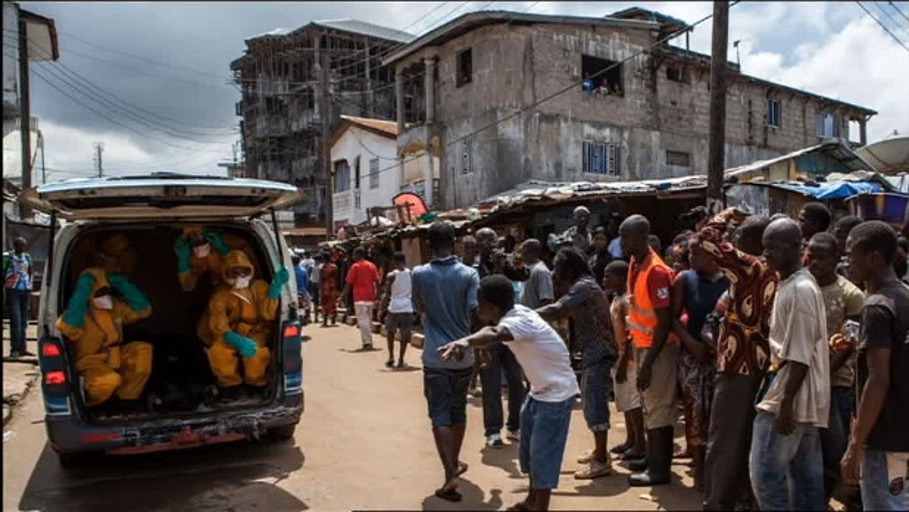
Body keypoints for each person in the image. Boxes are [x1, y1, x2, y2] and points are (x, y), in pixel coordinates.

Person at [439, 275, 579, 512]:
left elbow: (494, 335)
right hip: (539, 392)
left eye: (480, 301)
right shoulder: (516, 313)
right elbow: (492, 332)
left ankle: (540, 507)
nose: (476, 305)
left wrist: (465, 342)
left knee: (542, 457)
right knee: (530, 453)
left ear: (492, 307)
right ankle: (531, 501)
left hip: (556, 396)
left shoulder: (515, 323)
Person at [699, 208, 778, 511]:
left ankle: (718, 503)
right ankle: (745, 500)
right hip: (762, 366)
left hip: (738, 366)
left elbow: (707, 238)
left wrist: (728, 213)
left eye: (739, 237)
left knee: (724, 442)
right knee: (748, 440)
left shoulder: (751, 268)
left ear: (754, 242)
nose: (733, 241)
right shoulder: (776, 271)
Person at [750, 218, 829, 511]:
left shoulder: (801, 290)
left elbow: (800, 352)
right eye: (765, 248)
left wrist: (785, 402)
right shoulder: (790, 284)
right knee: (805, 480)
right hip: (801, 398)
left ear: (798, 248)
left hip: (790, 396)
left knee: (765, 476)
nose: (767, 255)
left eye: (775, 248)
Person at [841, 221, 909, 511]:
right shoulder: (904, 297)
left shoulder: (877, 307)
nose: (846, 263)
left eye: (851, 254)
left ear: (874, 258)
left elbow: (878, 380)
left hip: (884, 437)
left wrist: (856, 445)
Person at [411, 221, 480, 503]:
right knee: (458, 410)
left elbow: (419, 307)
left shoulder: (419, 273)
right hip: (463, 354)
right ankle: (454, 464)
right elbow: (476, 312)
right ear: (454, 241)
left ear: (429, 243)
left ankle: (450, 470)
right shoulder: (469, 274)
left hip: (435, 355)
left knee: (439, 413)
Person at [537, 247, 617, 479]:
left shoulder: (583, 287)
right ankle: (598, 451)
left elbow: (557, 309)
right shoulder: (585, 285)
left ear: (569, 268)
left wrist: (525, 315)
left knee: (594, 406)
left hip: (599, 352)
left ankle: (601, 460)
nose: (555, 272)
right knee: (591, 403)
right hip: (594, 352)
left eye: (558, 267)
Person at [805, 232, 865, 505]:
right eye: (810, 256)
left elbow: (850, 344)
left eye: (820, 257)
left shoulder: (851, 295)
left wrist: (823, 374)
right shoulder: (802, 287)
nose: (813, 262)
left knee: (833, 447)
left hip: (834, 383)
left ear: (834, 259)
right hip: (803, 380)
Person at [620, 215, 678, 487]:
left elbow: (664, 322)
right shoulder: (636, 263)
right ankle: (653, 459)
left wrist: (646, 363)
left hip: (659, 350)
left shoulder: (655, 271)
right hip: (642, 345)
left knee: (660, 409)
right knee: (648, 406)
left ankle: (660, 470)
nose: (622, 242)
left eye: (627, 237)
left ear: (642, 237)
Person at [671, 236, 730, 491]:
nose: (691, 259)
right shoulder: (685, 279)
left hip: (723, 357)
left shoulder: (731, 280)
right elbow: (672, 318)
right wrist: (691, 343)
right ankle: (699, 472)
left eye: (696, 254)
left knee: (720, 416)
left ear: (712, 254)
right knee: (695, 413)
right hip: (693, 357)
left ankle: (722, 473)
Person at [56, 268, 153, 409]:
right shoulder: (80, 313)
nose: (105, 297)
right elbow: (68, 327)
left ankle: (127, 400)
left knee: (143, 350)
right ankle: (96, 404)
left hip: (114, 354)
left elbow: (144, 310)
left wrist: (124, 285)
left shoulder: (115, 307)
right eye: (100, 293)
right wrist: (82, 293)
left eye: (107, 291)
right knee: (110, 381)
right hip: (90, 361)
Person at [197, 251, 288, 401]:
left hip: (256, 331)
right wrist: (232, 337)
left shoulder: (259, 287)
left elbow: (268, 315)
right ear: (225, 273)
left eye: (243, 271)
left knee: (256, 354)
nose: (240, 276)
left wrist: (274, 290)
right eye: (234, 272)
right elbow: (217, 322)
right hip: (230, 334)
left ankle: (256, 384)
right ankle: (230, 387)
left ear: (250, 270)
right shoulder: (220, 294)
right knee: (218, 352)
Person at [475, 227, 528, 448]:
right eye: (485, 240)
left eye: (493, 239)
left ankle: (514, 425)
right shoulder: (476, 269)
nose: (490, 243)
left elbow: (523, 275)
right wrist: (495, 268)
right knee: (491, 382)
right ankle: (493, 430)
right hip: (488, 331)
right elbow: (486, 290)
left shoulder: (504, 263)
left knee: (516, 381)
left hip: (510, 330)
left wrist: (510, 263)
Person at [603, 260, 646, 462]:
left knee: (633, 403)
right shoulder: (615, 298)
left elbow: (631, 334)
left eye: (608, 275)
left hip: (627, 361)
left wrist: (623, 362)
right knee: (625, 403)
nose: (605, 279)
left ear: (621, 277)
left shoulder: (626, 301)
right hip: (617, 357)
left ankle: (640, 444)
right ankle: (630, 439)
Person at [172, 226, 233, 292]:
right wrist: (183, 260)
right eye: (190, 236)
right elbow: (187, 285)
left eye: (197, 233)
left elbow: (243, 266)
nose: (195, 237)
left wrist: (225, 249)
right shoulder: (186, 251)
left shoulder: (224, 240)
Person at [343, 247, 381, 351]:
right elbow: (377, 281)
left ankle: (368, 342)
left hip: (359, 298)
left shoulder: (355, 266)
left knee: (363, 321)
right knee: (368, 321)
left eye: (354, 255)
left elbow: (349, 283)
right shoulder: (372, 265)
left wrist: (343, 295)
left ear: (358, 255)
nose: (353, 257)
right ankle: (366, 342)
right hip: (370, 297)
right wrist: (378, 296)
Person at [382, 252, 413, 369]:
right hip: (407, 307)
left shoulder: (391, 275)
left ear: (394, 262)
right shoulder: (411, 273)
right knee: (405, 334)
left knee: (390, 332)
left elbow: (387, 293)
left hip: (394, 307)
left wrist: (382, 307)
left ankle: (391, 356)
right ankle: (401, 359)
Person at [4, 237, 34, 358]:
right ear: (15, 246)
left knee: (24, 321)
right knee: (16, 321)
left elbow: (30, 271)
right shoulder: (8, 257)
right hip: (13, 290)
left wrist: (29, 285)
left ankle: (23, 348)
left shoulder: (27, 257)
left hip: (25, 290)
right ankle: (14, 349)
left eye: (24, 245)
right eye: (20, 245)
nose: (22, 248)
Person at [519, 239, 554, 310]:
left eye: (520, 251)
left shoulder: (541, 271)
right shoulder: (527, 268)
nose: (520, 254)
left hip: (534, 318)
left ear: (525, 250)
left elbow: (546, 301)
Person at [320, 251, 340, 327]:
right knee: (333, 303)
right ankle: (333, 318)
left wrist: (320, 289)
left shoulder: (323, 268)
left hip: (325, 287)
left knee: (325, 304)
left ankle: (325, 322)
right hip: (333, 286)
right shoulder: (334, 267)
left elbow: (321, 279)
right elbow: (337, 278)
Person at [292, 255, 311, 323]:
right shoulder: (304, 270)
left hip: (292, 291)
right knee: (308, 302)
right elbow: (307, 282)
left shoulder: (290, 270)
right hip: (302, 291)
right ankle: (308, 317)